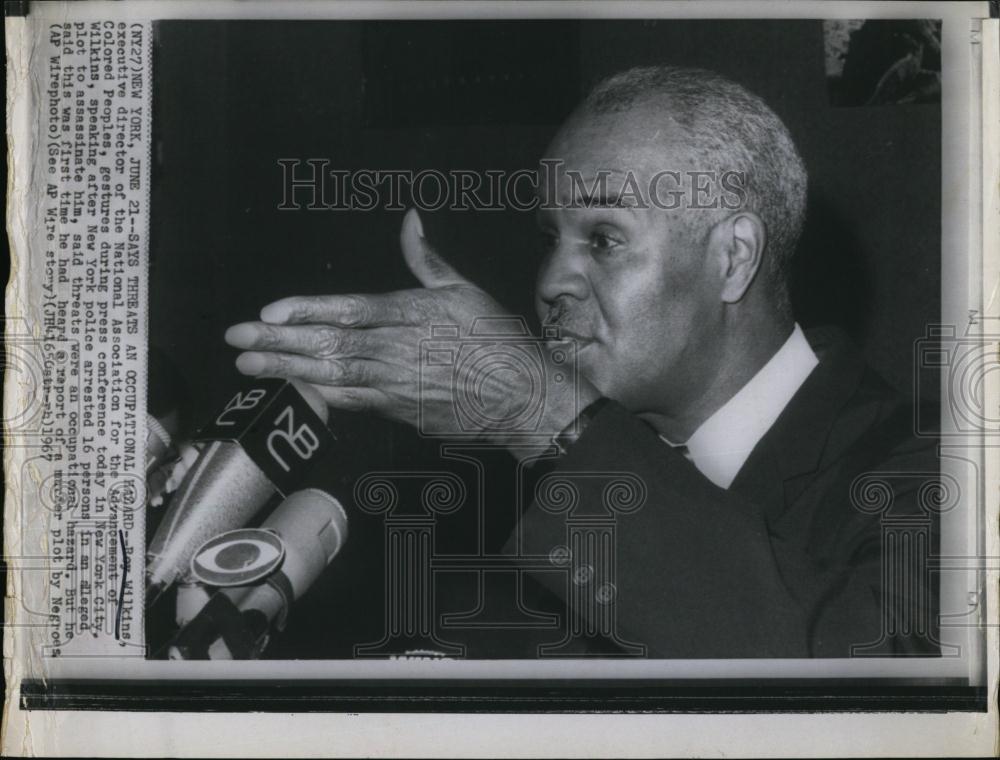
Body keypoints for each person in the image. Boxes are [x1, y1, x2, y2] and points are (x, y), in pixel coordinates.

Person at [223, 66, 940, 658]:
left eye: (603, 238)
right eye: (550, 239)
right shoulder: (533, 490)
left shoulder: (939, 470)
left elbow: (883, 682)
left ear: (733, 258)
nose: (549, 284)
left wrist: (545, 414)